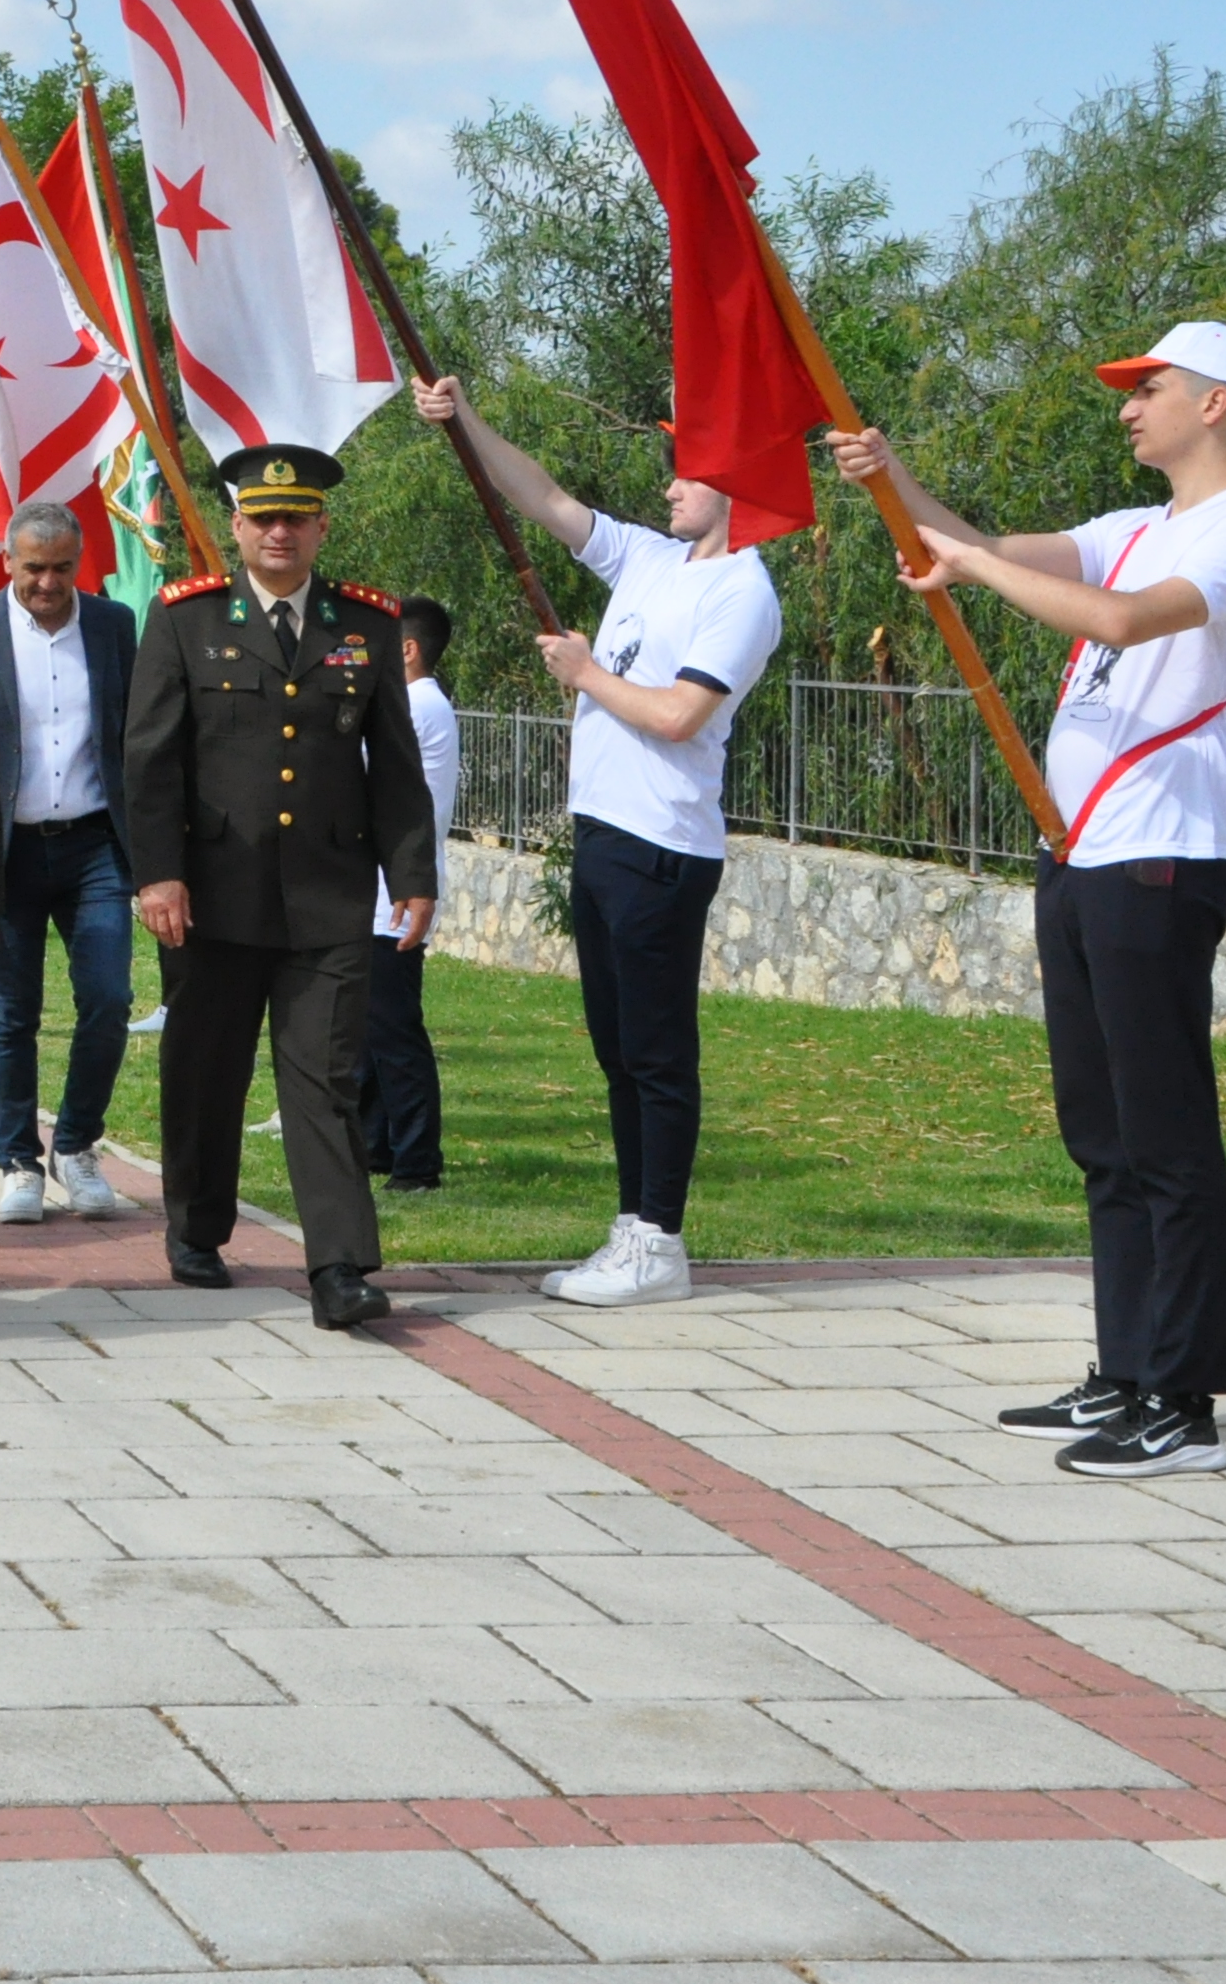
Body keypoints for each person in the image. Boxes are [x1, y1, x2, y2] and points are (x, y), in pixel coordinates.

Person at [828, 322, 1226, 1479]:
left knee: (1166, 1136)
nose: (1127, 406)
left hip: (1159, 861)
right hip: (1079, 854)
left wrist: (973, 570)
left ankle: (1182, 1403)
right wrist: (891, 477)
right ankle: (1126, 1368)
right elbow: (982, 544)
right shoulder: (1133, 526)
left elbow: (1121, 620)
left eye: (1148, 388)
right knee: (1101, 1133)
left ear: (1215, 403)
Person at [411, 377, 785, 1306]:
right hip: (604, 834)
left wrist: (585, 673)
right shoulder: (654, 559)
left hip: (662, 844)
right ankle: (634, 1224)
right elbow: (545, 499)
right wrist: (465, 419)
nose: (670, 485)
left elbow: (681, 714)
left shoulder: (743, 592)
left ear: (735, 483)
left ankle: (661, 1240)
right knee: (617, 1049)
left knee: (657, 1052)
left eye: (688, 471)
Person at [126, 443, 436, 1333]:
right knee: (205, 1072)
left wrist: (413, 873)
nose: (279, 532)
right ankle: (197, 1227)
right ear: (236, 526)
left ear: (321, 527)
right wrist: (159, 874)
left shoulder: (365, 624)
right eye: (263, 517)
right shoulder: (185, 619)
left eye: (296, 518)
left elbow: (395, 766)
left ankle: (339, 1268)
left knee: (323, 1081)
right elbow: (149, 762)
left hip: (327, 897)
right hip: (212, 895)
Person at [0, 499, 138, 1225]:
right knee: (11, 1015)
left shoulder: (112, 626)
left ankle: (75, 1145)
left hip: (93, 844)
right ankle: (18, 1161)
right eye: (34, 568)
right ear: (8, 562)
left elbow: (133, 736)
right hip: (7, 851)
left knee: (108, 998)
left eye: (62, 568)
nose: (47, 583)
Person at [355, 594, 462, 1195]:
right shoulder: (415, 703)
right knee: (370, 1031)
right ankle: (377, 1142)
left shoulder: (417, 705)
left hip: (391, 893)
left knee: (394, 1032)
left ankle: (418, 1159)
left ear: (408, 650)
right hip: (378, 889)